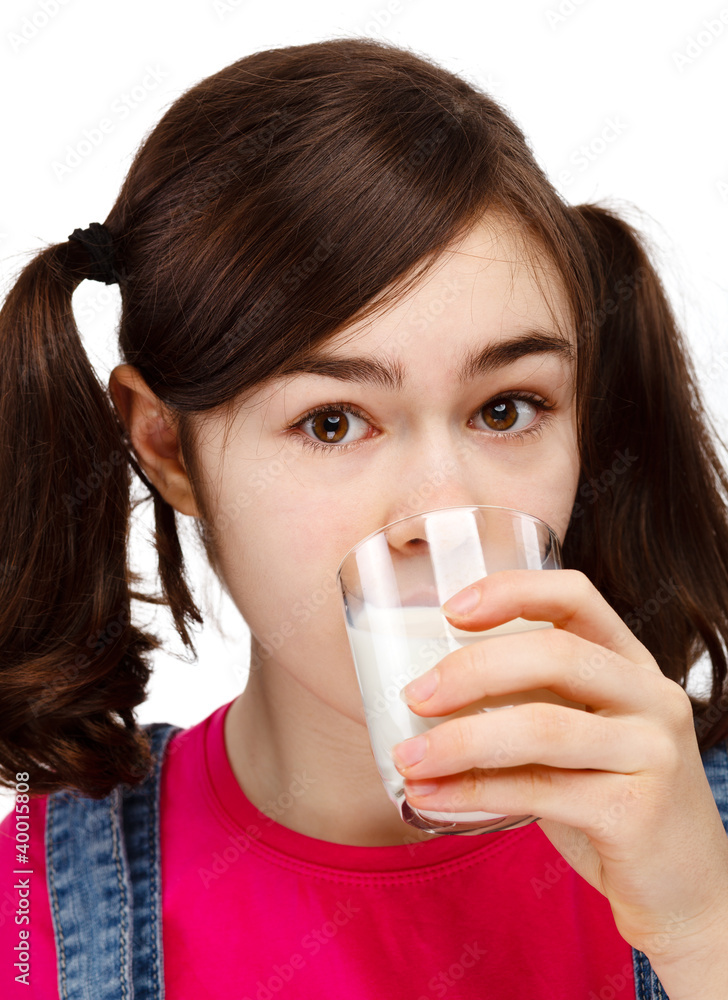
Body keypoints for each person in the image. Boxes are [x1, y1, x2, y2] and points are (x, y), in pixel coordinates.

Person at [1, 36, 728, 1000]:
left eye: (506, 407)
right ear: (167, 448)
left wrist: (702, 930)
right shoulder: (31, 911)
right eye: (332, 421)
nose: (444, 507)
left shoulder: (702, 843)